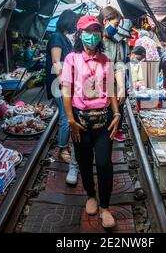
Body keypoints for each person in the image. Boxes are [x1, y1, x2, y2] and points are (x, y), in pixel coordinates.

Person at [61, 15, 121, 229]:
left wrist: (116, 114)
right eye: (88, 31)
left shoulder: (106, 60)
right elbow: (65, 90)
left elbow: (112, 89)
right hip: (80, 121)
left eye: (96, 31)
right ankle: (91, 195)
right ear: (80, 34)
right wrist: (70, 119)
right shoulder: (71, 59)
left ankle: (105, 207)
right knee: (84, 162)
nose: (92, 35)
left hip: (103, 120)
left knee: (104, 163)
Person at [45, 9, 80, 185]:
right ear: (68, 22)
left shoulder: (64, 37)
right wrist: (64, 83)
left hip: (64, 83)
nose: (76, 26)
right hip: (59, 84)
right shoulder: (57, 37)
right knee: (66, 117)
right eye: (75, 22)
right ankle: (62, 148)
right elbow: (56, 61)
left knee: (65, 116)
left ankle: (63, 145)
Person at [97, 6, 127, 142]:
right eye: (116, 24)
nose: (116, 28)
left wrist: (121, 87)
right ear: (105, 21)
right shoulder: (93, 41)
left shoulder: (114, 42)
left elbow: (118, 64)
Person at [113, 19, 133, 142]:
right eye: (121, 35)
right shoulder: (109, 42)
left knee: (120, 103)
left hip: (121, 77)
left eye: (124, 36)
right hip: (110, 79)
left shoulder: (125, 45)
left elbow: (124, 63)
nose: (122, 38)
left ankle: (118, 129)